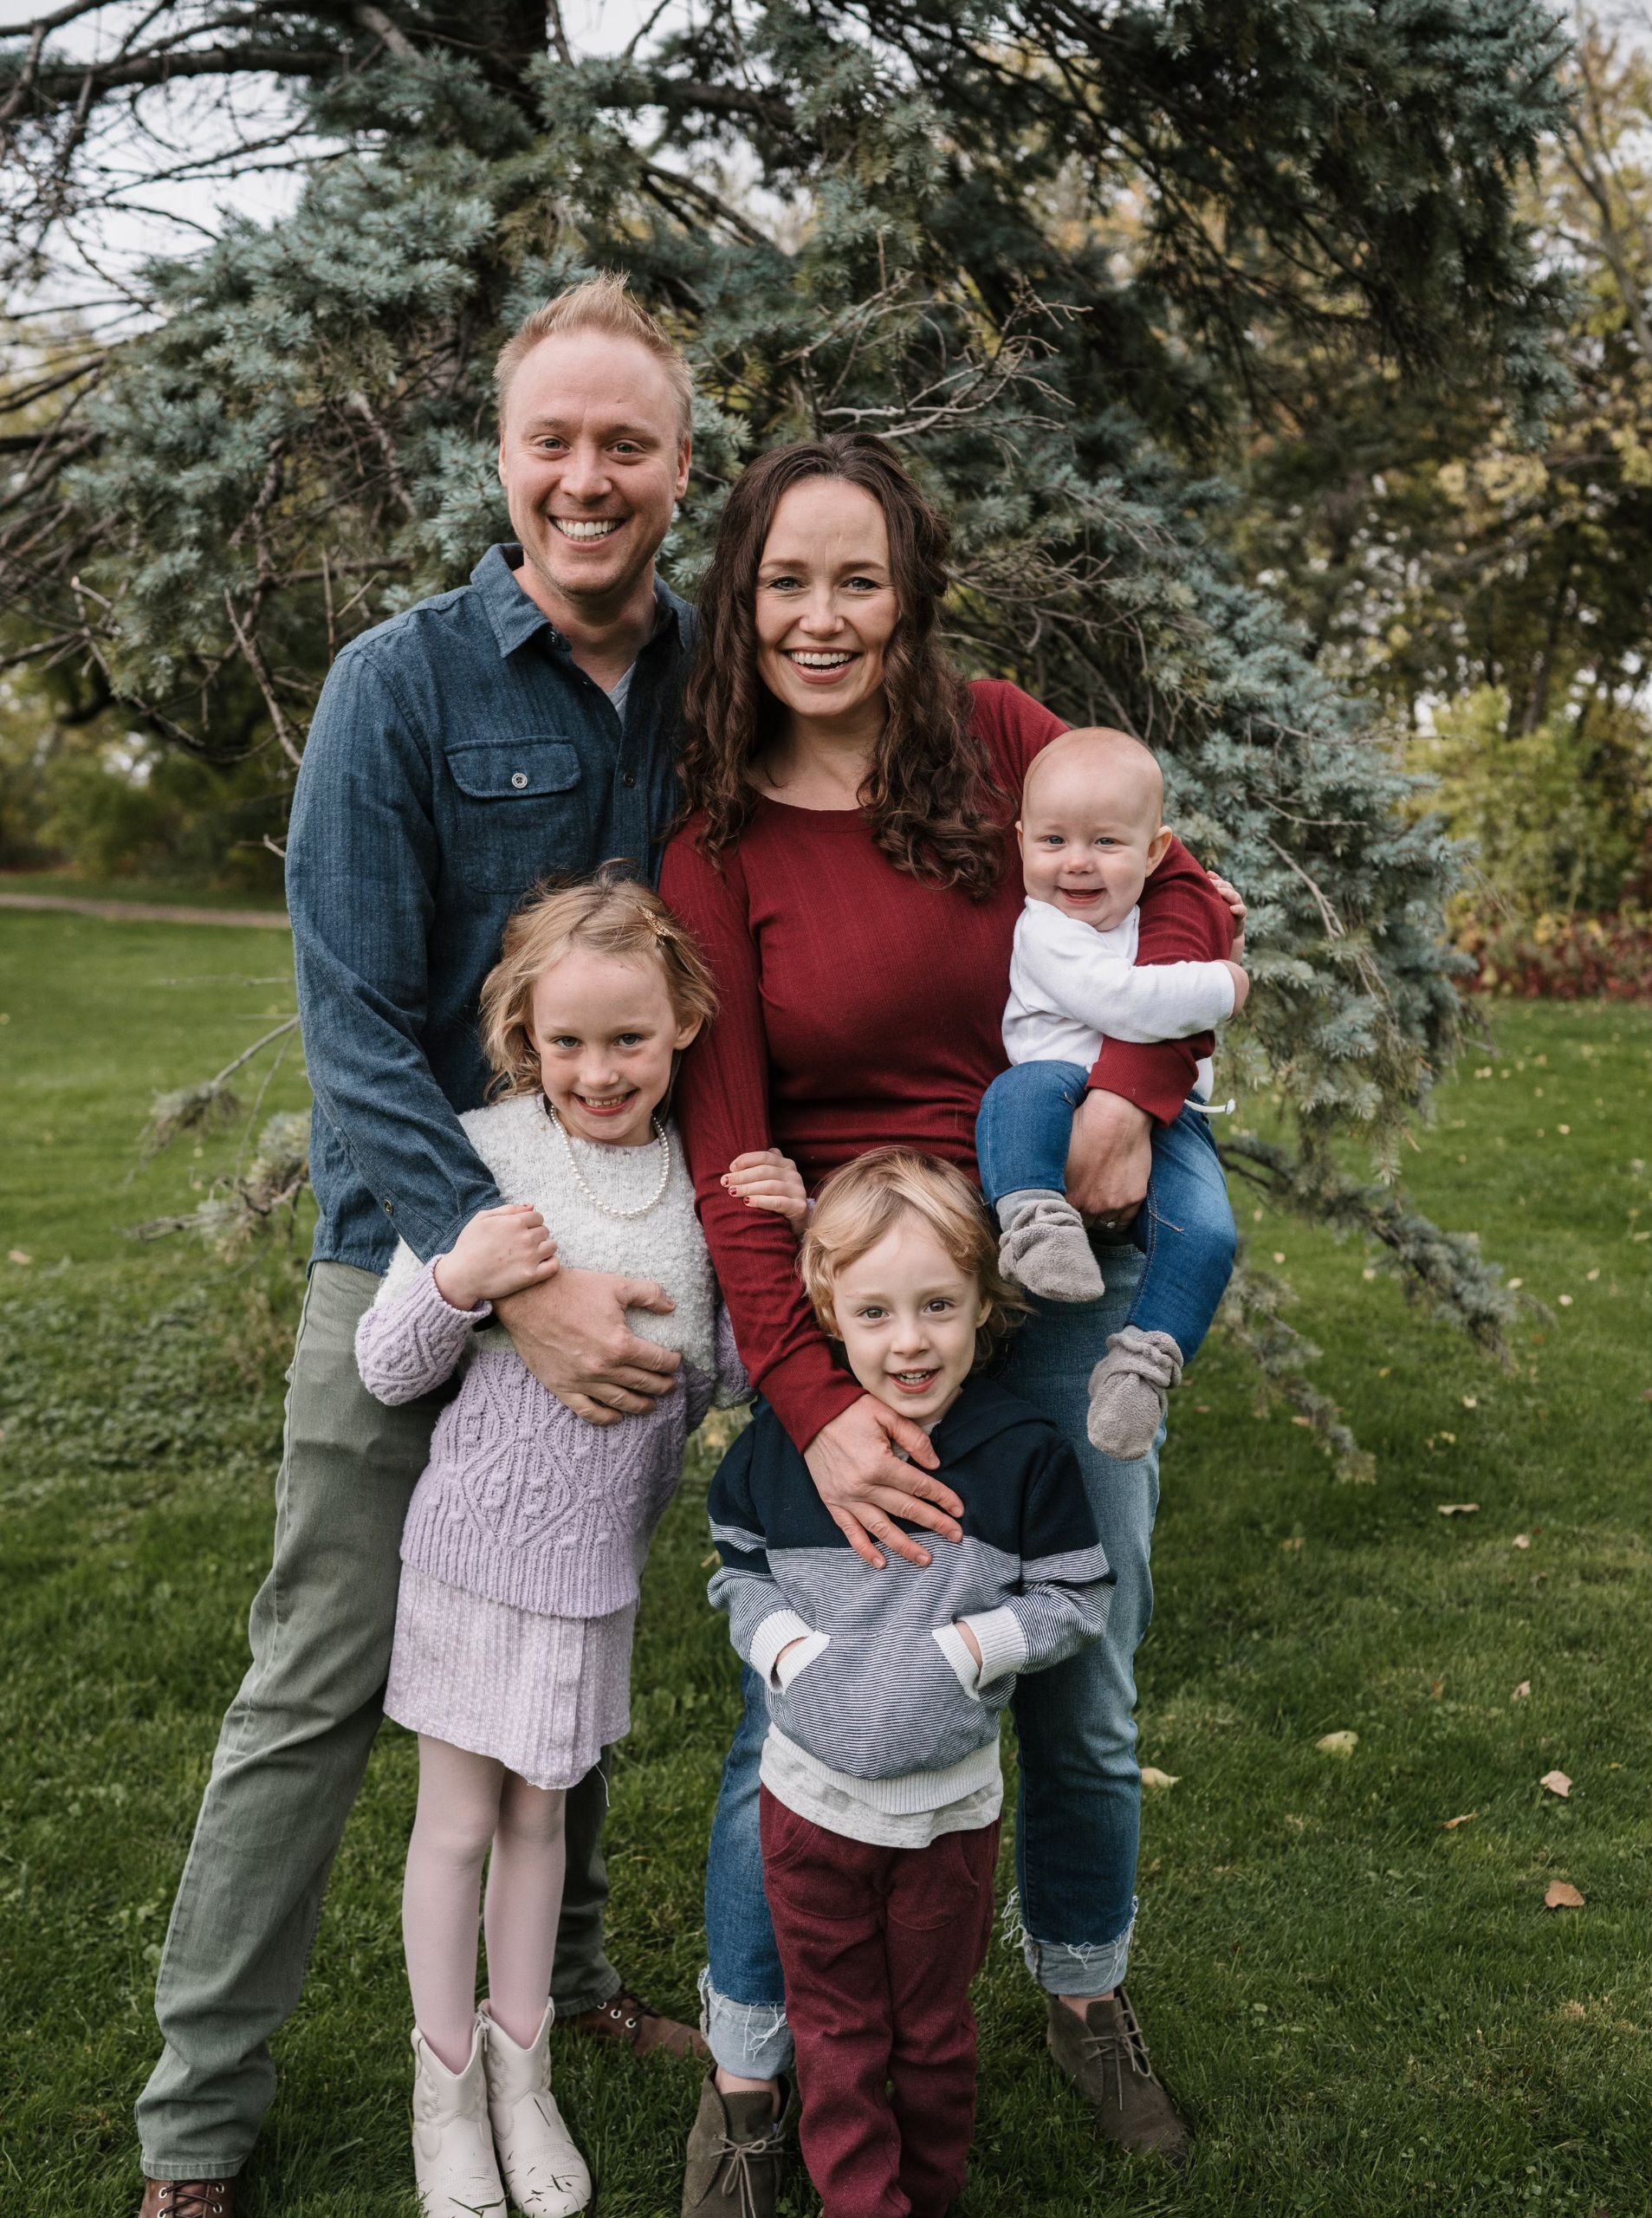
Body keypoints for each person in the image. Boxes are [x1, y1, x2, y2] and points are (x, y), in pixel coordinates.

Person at [133, 276, 709, 2218]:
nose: (585, 475)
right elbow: (355, 1021)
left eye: (624, 442)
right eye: (553, 438)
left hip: (620, 1241)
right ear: (501, 455)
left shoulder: (716, 677)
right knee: (311, 1682)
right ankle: (197, 2119)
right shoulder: (402, 680)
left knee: (567, 1633)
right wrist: (503, 1273)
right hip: (407, 1266)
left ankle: (585, 1985)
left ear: (678, 468)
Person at [662, 431, 1236, 2215]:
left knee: (1080, 1661)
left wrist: (1133, 1086)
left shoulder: (994, 738)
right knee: (808, 1704)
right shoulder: (714, 831)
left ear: (906, 591)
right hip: (869, 1307)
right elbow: (725, 1140)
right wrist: (812, 1395)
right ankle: (749, 2080)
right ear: (738, 598)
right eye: (783, 580)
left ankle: (1081, 1986)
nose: (819, 617)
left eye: (856, 577)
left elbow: (1173, 889)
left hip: (1055, 1265)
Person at [356, 870, 748, 2217]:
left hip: (593, 1578)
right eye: (567, 1041)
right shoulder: (492, 1157)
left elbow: (732, 1371)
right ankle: (445, 2094)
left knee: (541, 1825)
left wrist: (779, 1227)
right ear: (522, 1034)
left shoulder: (697, 1181)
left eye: (627, 1038)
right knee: (459, 1825)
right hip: (469, 1560)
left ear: (683, 1023)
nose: (598, 1069)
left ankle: (525, 2082)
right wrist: (465, 1275)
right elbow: (390, 1362)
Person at [706, 1149, 1112, 2218]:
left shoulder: (1020, 1451)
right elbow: (735, 1564)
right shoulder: (783, 1449)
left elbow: (1075, 1598)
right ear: (827, 1309)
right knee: (835, 2034)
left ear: (985, 1301)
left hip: (947, 1820)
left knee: (931, 2034)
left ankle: (928, 2191)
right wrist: (787, 1652)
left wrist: (967, 1650)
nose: (910, 1339)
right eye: (876, 1310)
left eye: (938, 1304)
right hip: (804, 1814)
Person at [975, 725, 1248, 1458]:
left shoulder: (1150, 918)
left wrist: (1218, 932)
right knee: (1016, 1096)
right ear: (1022, 840)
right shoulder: (1045, 930)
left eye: (1105, 844)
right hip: (1058, 1093)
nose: (1076, 864)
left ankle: (1142, 1364)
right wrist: (1223, 980)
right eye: (1054, 841)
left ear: (1157, 853)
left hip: (1165, 1119)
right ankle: (1035, 1220)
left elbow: (1168, 974)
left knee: (1209, 1230)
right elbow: (1123, 1001)